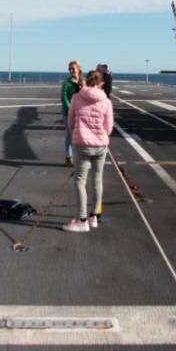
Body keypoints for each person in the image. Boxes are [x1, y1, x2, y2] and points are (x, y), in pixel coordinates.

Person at [64, 70, 114, 233]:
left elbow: (70, 122)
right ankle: (93, 217)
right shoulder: (106, 101)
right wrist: (100, 136)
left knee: (80, 180)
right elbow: (109, 127)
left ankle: (82, 219)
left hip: (81, 144)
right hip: (100, 145)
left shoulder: (76, 98)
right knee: (98, 180)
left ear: (86, 81)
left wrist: (78, 133)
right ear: (101, 84)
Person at [60, 60, 84, 165]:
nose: (71, 70)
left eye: (73, 68)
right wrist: (71, 110)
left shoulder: (83, 82)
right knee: (70, 135)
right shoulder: (67, 83)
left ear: (78, 69)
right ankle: (68, 156)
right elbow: (64, 97)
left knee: (81, 136)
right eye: (69, 69)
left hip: (81, 113)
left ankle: (79, 156)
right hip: (68, 113)